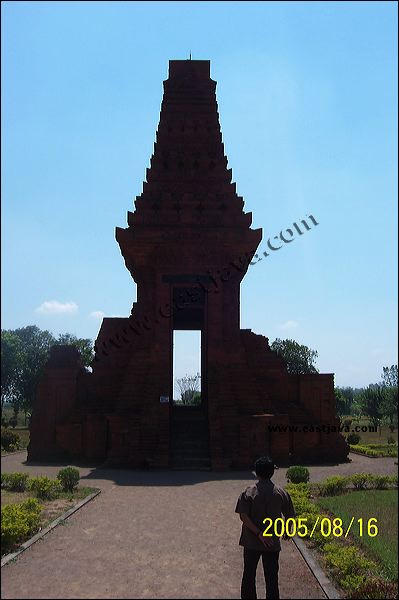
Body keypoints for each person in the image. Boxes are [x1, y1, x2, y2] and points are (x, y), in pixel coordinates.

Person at [235, 456, 295, 599]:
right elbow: (290, 514)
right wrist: (287, 529)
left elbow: (243, 516)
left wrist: (259, 533)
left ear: (256, 473)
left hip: (251, 541)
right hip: (272, 542)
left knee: (249, 575)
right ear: (272, 472)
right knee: (272, 578)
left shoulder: (249, 492)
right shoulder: (280, 492)